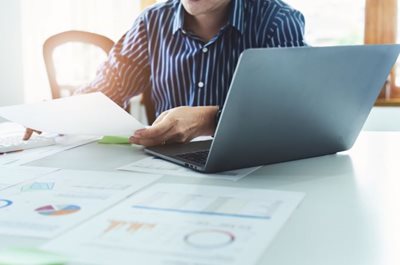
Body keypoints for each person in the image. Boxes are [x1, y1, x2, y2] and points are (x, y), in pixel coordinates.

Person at [24, 0, 306, 146]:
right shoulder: (151, 22)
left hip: (254, 167)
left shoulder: (277, 21)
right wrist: (62, 111)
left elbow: (292, 115)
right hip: (169, 169)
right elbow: (107, 91)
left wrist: (211, 119)